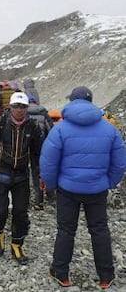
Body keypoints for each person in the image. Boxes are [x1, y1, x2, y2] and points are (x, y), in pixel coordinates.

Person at [40, 86, 126, 289]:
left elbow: (48, 162)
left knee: (66, 230)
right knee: (99, 230)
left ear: (72, 102)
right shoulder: (109, 129)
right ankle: (106, 276)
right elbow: (120, 162)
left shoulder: (60, 128)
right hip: (97, 189)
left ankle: (61, 273)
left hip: (68, 189)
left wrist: (51, 185)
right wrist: (109, 182)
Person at [0, 92, 43, 265]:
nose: (19, 110)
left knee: (21, 213)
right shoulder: (0, 123)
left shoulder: (33, 126)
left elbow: (37, 154)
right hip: (1, 174)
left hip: (21, 177)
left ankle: (17, 244)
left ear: (27, 108)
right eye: (16, 106)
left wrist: (40, 177)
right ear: (10, 107)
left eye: (23, 106)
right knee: (0, 211)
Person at [27, 95, 54, 210]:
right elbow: (51, 131)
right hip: (45, 147)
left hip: (32, 149)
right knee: (47, 170)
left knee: (35, 172)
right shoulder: (43, 113)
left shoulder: (25, 114)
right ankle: (50, 194)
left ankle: (39, 201)